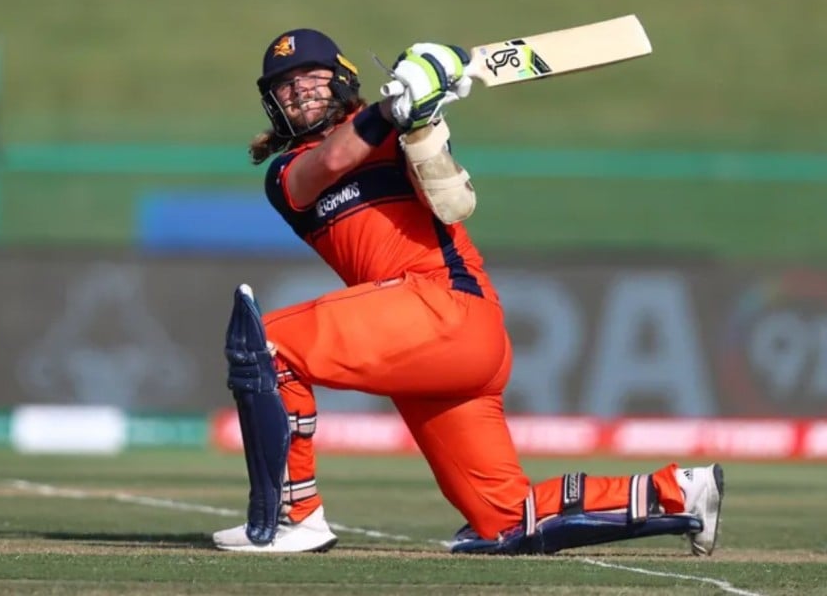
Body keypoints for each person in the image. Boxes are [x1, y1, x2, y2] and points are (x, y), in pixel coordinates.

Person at [212, 28, 724, 555]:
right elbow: (331, 162)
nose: (299, 90)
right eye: (285, 85)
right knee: (504, 519)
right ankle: (679, 491)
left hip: (444, 306)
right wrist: (394, 106)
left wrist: (425, 114)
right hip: (433, 350)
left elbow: (451, 198)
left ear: (342, 78)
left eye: (311, 76)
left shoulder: (398, 132)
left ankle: (293, 518)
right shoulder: (287, 173)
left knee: (267, 345)